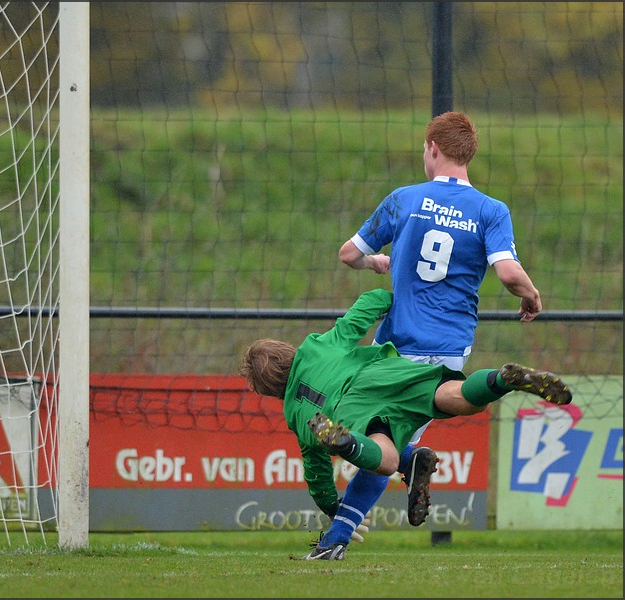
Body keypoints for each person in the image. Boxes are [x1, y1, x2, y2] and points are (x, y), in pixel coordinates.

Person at [319, 111, 544, 554]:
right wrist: (531, 295)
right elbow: (507, 272)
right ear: (468, 155)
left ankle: (338, 537)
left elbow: (348, 254)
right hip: (446, 349)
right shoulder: (490, 210)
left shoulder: (403, 198)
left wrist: (376, 262)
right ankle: (419, 454)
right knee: (386, 437)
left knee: (375, 440)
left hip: (392, 344)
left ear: (433, 149)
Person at [239, 288, 571, 561]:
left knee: (383, 458)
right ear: (288, 352)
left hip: (353, 408)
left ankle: (352, 445)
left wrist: (332, 506)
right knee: (453, 395)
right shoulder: (317, 346)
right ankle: (502, 379)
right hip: (385, 373)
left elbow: (317, 473)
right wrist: (397, 296)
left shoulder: (297, 416)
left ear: (268, 390)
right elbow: (366, 306)